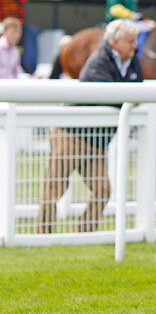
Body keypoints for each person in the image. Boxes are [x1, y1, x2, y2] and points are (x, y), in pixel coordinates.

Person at [38, 20, 143, 233]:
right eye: (131, 42)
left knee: (103, 189)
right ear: (115, 43)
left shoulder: (133, 62)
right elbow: (111, 97)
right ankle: (43, 234)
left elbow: (135, 93)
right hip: (70, 135)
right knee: (54, 187)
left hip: (97, 141)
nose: (136, 46)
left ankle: (84, 234)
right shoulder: (98, 61)